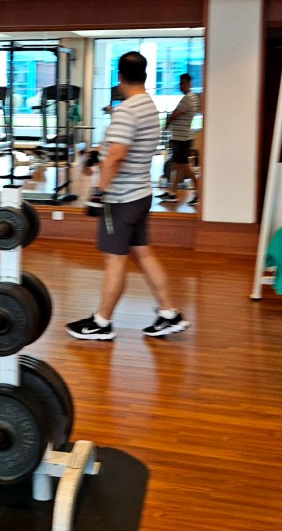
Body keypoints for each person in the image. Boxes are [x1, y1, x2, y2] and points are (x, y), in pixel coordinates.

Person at [66, 52, 189, 340]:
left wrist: (98, 192)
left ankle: (102, 322)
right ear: (144, 75)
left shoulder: (126, 110)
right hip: (140, 194)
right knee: (143, 254)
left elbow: (117, 157)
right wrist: (96, 155)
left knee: (114, 260)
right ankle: (168, 313)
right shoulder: (148, 105)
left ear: (119, 77)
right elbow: (116, 148)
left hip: (120, 199)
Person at [158, 73, 200, 206]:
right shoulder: (190, 98)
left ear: (188, 84)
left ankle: (198, 192)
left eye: (182, 83)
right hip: (180, 138)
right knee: (177, 167)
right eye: (180, 83)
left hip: (182, 139)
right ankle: (172, 193)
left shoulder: (188, 98)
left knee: (184, 167)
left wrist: (167, 122)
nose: (180, 86)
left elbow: (174, 115)